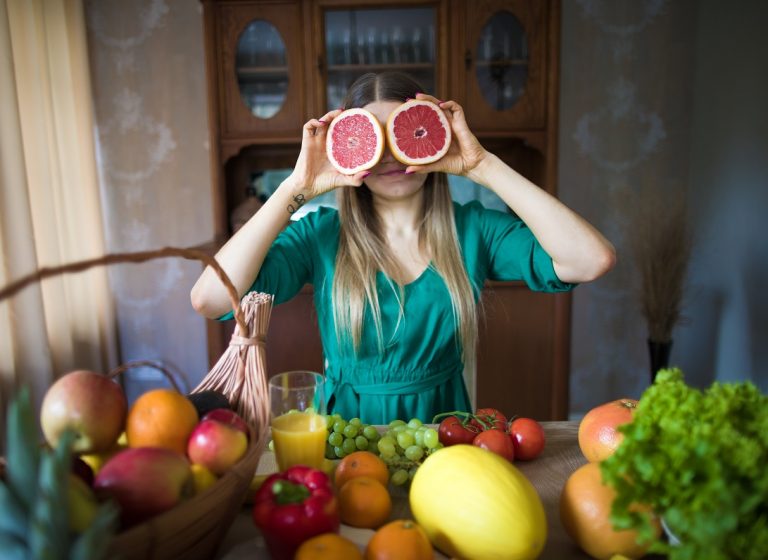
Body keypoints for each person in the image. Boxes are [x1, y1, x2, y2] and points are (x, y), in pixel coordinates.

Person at [191, 71, 616, 425]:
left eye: (404, 134)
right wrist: (296, 187)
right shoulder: (320, 234)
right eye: (372, 137)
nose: (390, 154)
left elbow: (591, 260)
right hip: (347, 440)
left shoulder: (474, 230)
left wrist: (482, 165)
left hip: (445, 436)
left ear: (433, 133)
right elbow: (210, 299)